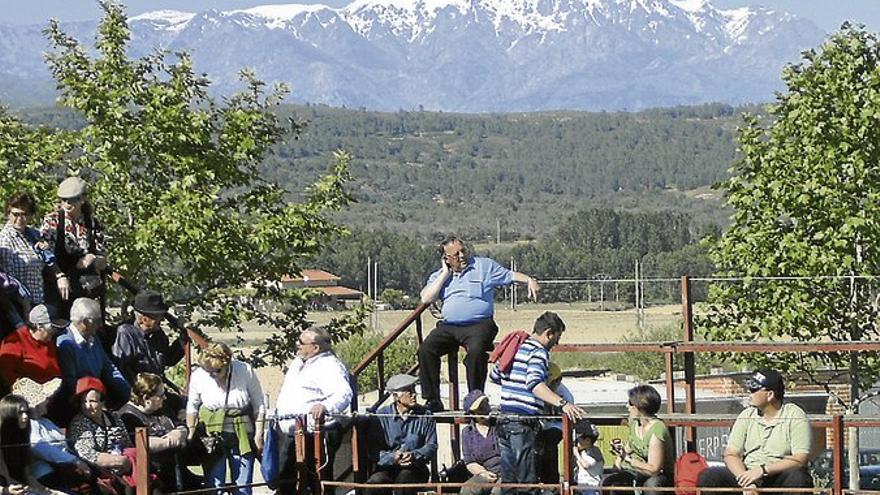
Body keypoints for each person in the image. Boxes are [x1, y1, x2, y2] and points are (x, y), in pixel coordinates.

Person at [418, 236, 540, 412]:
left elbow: (510, 275)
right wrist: (445, 273)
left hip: (479, 324)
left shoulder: (484, 266)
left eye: (463, 251)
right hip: (449, 326)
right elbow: (426, 298)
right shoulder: (439, 276)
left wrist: (529, 280)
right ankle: (432, 400)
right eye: (455, 254)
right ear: (446, 259)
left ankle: (475, 398)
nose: (461, 256)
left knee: (476, 351)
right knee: (426, 349)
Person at [489, 311, 586, 495]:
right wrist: (563, 404)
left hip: (504, 419)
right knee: (527, 482)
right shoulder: (538, 352)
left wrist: (514, 384)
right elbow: (534, 384)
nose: (556, 343)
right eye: (556, 338)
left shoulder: (517, 347)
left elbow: (495, 375)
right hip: (523, 422)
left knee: (509, 483)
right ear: (548, 333)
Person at [697, 370, 813, 495]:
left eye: (754, 390)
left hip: (777, 476)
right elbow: (731, 454)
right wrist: (745, 479)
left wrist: (762, 470)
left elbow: (800, 459)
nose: (750, 394)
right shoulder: (747, 415)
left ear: (770, 395)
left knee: (798, 477)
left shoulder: (794, 414)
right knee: (709, 476)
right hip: (747, 473)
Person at [274, 325, 353, 494]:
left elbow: (343, 393)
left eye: (302, 342)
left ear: (315, 348)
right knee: (285, 480)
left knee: (314, 482)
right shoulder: (298, 363)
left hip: (314, 433)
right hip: (290, 431)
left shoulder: (329, 366)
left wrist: (325, 406)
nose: (297, 344)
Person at [186, 342, 265, 495]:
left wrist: (259, 434)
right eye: (209, 371)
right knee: (215, 485)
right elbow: (192, 406)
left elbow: (259, 404)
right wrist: (190, 433)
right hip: (212, 436)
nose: (212, 375)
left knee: (243, 485)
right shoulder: (198, 375)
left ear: (227, 363)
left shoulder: (244, 370)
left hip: (242, 433)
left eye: (217, 371)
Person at [40, 177, 108, 321]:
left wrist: (93, 258)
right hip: (57, 283)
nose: (67, 204)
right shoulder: (52, 221)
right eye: (64, 200)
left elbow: (103, 257)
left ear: (82, 199)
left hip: (84, 285)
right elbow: (44, 253)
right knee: (56, 320)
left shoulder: (92, 223)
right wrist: (60, 276)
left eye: (72, 200)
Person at [11, 377, 93, 493]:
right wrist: (74, 460)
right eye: (45, 398)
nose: (49, 400)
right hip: (49, 475)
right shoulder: (29, 425)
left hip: (67, 470)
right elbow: (40, 446)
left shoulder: (45, 422)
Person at [112, 289, 187, 411]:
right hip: (140, 399)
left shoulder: (158, 335)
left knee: (186, 405)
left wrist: (182, 339)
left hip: (157, 396)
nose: (162, 320)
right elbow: (121, 369)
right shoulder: (126, 333)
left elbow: (169, 359)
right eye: (158, 316)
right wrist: (136, 398)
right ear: (144, 318)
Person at [117, 372, 191, 491]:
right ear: (146, 398)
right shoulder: (126, 417)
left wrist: (180, 431)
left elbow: (179, 424)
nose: (165, 398)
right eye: (161, 395)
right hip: (151, 478)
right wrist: (170, 441)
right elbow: (140, 443)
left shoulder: (161, 408)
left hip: (177, 471)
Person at [364, 374, 437, 495]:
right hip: (387, 468)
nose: (414, 395)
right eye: (409, 391)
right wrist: (393, 458)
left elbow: (431, 446)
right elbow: (374, 451)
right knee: (374, 484)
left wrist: (414, 455)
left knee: (404, 480)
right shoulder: (381, 417)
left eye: (414, 390)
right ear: (396, 396)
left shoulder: (425, 415)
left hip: (415, 468)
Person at [56, 298, 130, 414]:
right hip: (79, 405)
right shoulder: (66, 344)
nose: (100, 325)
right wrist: (96, 402)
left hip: (97, 398)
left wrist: (129, 394)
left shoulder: (94, 339)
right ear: (85, 322)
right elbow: (71, 383)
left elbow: (109, 368)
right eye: (97, 321)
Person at [0, 192, 63, 322]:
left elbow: (47, 261)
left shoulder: (33, 235)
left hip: (39, 301)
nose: (20, 219)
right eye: (16, 214)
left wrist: (60, 275)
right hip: (17, 306)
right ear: (8, 213)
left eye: (25, 214)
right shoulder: (4, 240)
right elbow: (8, 278)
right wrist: (24, 304)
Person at [601, 385, 673, 495]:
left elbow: (654, 469)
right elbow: (632, 444)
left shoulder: (657, 428)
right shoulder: (634, 423)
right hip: (637, 471)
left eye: (630, 403)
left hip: (658, 476)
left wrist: (628, 459)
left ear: (640, 406)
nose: (627, 406)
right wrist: (619, 457)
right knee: (608, 482)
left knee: (651, 486)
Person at [67, 376, 133, 495]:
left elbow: (127, 443)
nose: (87, 406)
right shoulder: (79, 423)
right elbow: (87, 454)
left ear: (102, 401)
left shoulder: (114, 418)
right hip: (100, 474)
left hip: (124, 468)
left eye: (92, 401)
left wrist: (127, 461)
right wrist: (118, 461)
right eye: (84, 401)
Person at [0, 393, 66, 495]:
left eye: (26, 412)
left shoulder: (22, 435)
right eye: (20, 413)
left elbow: (27, 476)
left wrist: (51, 493)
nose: (25, 416)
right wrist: (5, 491)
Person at [0, 304, 66, 389]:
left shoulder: (47, 339)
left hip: (55, 391)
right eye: (52, 329)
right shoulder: (14, 344)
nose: (54, 332)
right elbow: (6, 374)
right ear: (39, 327)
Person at [537, 362, 574, 486]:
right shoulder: (538, 389)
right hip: (540, 424)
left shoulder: (565, 395)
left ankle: (551, 481)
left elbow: (566, 419)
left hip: (556, 426)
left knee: (550, 444)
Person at [460, 389, 501, 495]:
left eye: (486, 404)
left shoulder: (500, 425)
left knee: (498, 491)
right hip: (484, 471)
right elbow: (469, 462)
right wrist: (483, 473)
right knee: (468, 490)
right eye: (480, 408)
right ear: (473, 413)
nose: (485, 409)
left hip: (505, 470)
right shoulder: (467, 433)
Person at [573, 420, 603, 495]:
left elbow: (586, 465)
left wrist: (577, 454)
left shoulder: (594, 452)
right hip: (581, 486)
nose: (577, 443)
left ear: (587, 440)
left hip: (592, 487)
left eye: (578, 440)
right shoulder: (583, 452)